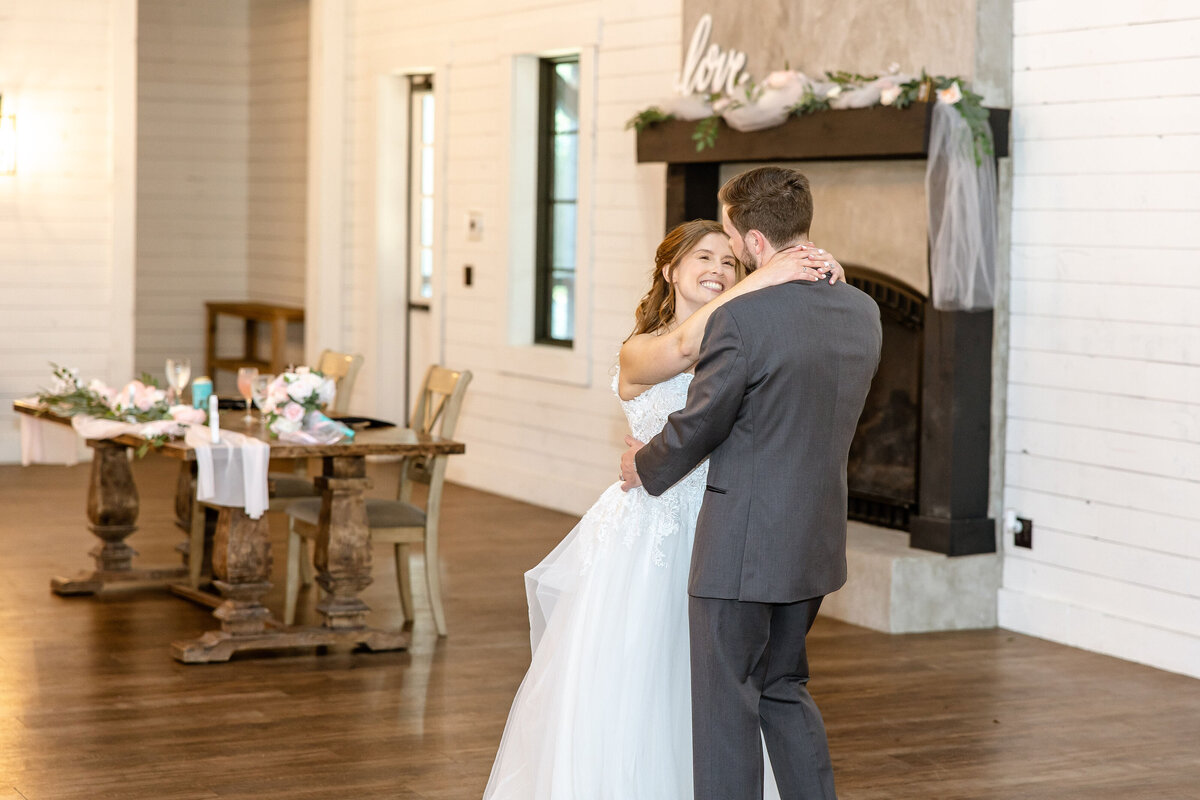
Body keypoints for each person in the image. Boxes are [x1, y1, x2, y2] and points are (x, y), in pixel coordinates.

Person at [483, 218, 845, 800]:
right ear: (669, 270)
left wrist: (813, 275)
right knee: (640, 674)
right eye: (703, 258)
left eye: (730, 262)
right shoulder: (640, 349)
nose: (719, 270)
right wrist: (761, 280)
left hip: (726, 526)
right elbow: (681, 349)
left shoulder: (743, 339)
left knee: (721, 682)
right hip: (648, 533)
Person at [620, 167, 882, 800]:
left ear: (755, 240)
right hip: (814, 540)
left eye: (731, 236)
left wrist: (643, 466)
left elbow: (702, 424)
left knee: (725, 707)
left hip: (741, 544)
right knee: (783, 688)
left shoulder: (741, 321)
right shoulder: (862, 309)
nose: (729, 251)